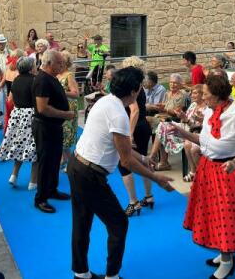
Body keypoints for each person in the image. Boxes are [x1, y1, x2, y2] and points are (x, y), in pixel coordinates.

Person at [67, 66, 173, 279]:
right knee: (119, 223)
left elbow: (119, 147)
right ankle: (112, 276)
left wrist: (144, 158)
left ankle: (81, 273)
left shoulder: (105, 101)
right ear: (134, 91)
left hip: (76, 166)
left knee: (82, 221)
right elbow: (126, 160)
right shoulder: (119, 115)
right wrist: (156, 178)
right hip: (90, 175)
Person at [170, 74, 235, 279]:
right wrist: (181, 132)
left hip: (229, 173)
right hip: (208, 170)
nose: (204, 98)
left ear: (219, 96)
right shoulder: (211, 111)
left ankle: (228, 261)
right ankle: (223, 254)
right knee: (212, 215)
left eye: (207, 95)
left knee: (226, 218)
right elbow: (205, 141)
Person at [32, 49, 74, 213]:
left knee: (55, 159)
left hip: (53, 126)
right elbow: (43, 108)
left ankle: (52, 189)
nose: (62, 66)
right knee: (46, 162)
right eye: (59, 63)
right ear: (49, 63)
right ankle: (40, 198)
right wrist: (65, 114)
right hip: (45, 126)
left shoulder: (52, 78)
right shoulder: (43, 80)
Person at [115, 57, 155, 217]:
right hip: (143, 127)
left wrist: (129, 134)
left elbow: (135, 110)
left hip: (134, 128)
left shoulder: (131, 86)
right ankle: (149, 196)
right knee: (143, 161)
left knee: (124, 165)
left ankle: (133, 202)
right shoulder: (140, 86)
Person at [0, 57, 39, 189]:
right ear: (31, 67)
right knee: (35, 148)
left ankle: (14, 175)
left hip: (17, 114)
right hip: (31, 115)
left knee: (19, 145)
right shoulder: (35, 81)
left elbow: (11, 100)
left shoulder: (16, 80)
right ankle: (33, 182)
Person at [152, 83, 206, 182]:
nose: (191, 95)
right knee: (162, 125)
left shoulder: (206, 108)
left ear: (203, 95)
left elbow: (197, 128)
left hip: (194, 132)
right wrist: (181, 115)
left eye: (195, 93)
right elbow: (185, 119)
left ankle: (193, 171)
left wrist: (186, 120)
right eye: (191, 93)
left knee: (187, 144)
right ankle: (156, 158)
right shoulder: (193, 105)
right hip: (185, 126)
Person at [148, 73, 188, 171]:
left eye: (175, 83)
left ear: (180, 84)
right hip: (163, 118)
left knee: (148, 121)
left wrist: (164, 109)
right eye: (171, 82)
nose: (172, 85)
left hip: (173, 120)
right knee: (147, 121)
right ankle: (159, 160)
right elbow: (164, 107)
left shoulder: (182, 95)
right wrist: (160, 106)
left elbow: (177, 112)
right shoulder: (167, 93)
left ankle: (153, 157)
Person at [58, 50, 79, 171]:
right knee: (60, 137)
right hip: (58, 108)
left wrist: (61, 92)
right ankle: (64, 159)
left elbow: (76, 94)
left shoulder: (69, 75)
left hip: (68, 108)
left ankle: (71, 163)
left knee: (66, 138)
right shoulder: (57, 74)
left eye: (60, 62)